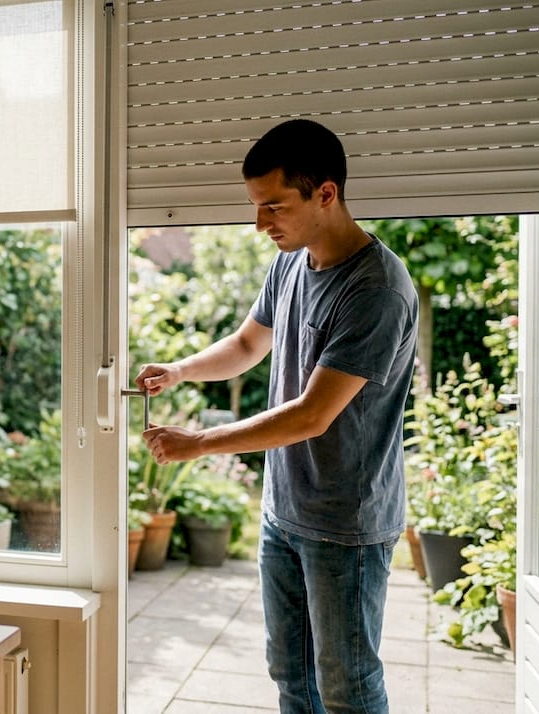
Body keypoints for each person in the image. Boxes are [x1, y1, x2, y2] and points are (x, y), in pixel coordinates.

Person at [133, 119, 418, 713]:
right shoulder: (292, 260)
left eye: (272, 207)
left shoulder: (376, 289)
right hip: (284, 510)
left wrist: (199, 442)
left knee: (349, 687)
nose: (261, 224)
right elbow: (245, 345)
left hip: (346, 523)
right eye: (256, 208)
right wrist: (180, 369)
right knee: (291, 675)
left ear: (326, 194)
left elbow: (313, 415)